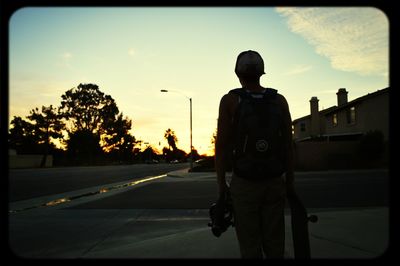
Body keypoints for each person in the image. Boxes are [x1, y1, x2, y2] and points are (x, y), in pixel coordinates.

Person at [215, 50, 295, 258]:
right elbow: (288, 145)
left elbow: (221, 146)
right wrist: (290, 183)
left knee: (250, 246)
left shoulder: (230, 101)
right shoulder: (279, 101)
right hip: (274, 182)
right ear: (262, 73)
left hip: (244, 184)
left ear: (237, 73)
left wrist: (222, 184)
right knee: (275, 244)